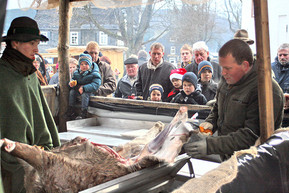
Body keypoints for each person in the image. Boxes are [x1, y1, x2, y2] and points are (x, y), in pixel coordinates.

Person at [183, 39, 284, 161]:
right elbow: (218, 107)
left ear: (245, 66)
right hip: (228, 156)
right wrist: (210, 123)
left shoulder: (266, 91)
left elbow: (252, 136)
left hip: (253, 164)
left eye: (228, 68)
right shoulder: (229, 77)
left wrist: (210, 145)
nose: (223, 73)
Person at [0, 16, 60, 193]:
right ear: (15, 43)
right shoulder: (2, 74)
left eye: (37, 43)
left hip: (37, 157)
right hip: (11, 161)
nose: (36, 48)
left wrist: (51, 148)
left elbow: (42, 115)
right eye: (32, 43)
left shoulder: (30, 74)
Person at [67, 53, 101, 119]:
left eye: (86, 64)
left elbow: (96, 84)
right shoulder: (77, 72)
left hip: (90, 91)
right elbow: (74, 78)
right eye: (82, 64)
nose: (84, 66)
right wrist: (71, 83)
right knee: (72, 92)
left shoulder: (94, 73)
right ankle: (71, 109)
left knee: (85, 95)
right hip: (79, 89)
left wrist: (85, 88)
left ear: (90, 64)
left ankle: (84, 112)